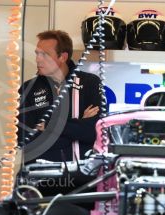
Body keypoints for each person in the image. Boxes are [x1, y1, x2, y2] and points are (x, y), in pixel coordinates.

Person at [17, 30, 102, 197]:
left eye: (45, 54)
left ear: (62, 57)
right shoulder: (28, 89)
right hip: (40, 180)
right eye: (37, 53)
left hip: (82, 181)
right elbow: (26, 139)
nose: (38, 59)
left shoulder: (90, 83)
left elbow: (93, 132)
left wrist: (48, 126)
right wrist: (77, 123)